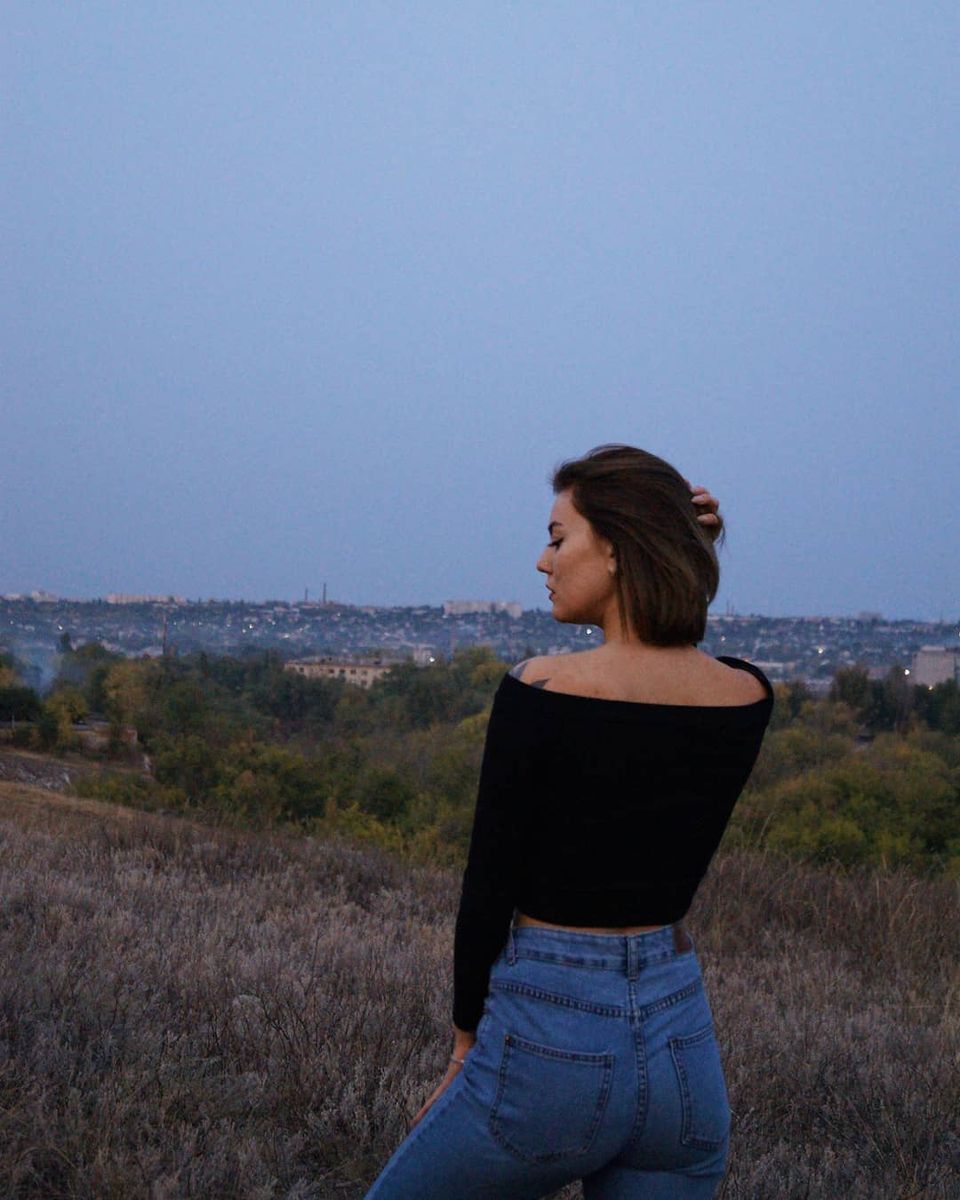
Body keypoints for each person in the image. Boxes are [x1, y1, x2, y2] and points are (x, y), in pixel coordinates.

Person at [364, 444, 775, 1199]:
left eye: (558, 539)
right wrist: (692, 557)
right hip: (683, 1054)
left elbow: (488, 885)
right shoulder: (747, 697)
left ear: (615, 548)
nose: (542, 560)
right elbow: (674, 676)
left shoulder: (542, 689)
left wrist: (464, 1048)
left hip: (552, 1044)